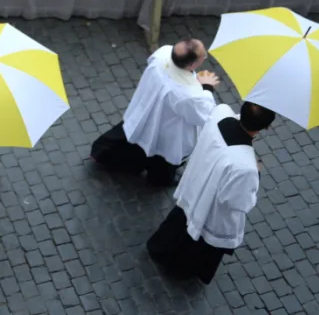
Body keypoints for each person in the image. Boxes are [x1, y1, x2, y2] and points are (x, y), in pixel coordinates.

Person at [147, 102, 275, 284]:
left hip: (195, 183)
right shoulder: (245, 167)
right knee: (196, 245)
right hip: (209, 209)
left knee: (178, 221)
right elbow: (237, 202)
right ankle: (180, 270)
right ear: (266, 127)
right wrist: (257, 174)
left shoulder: (220, 112)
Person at [90, 39, 221, 185]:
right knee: (163, 158)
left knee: (133, 136)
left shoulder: (162, 54)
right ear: (192, 65)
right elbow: (203, 114)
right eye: (204, 56)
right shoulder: (189, 94)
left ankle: (104, 154)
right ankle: (159, 179)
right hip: (169, 131)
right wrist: (207, 87)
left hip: (146, 109)